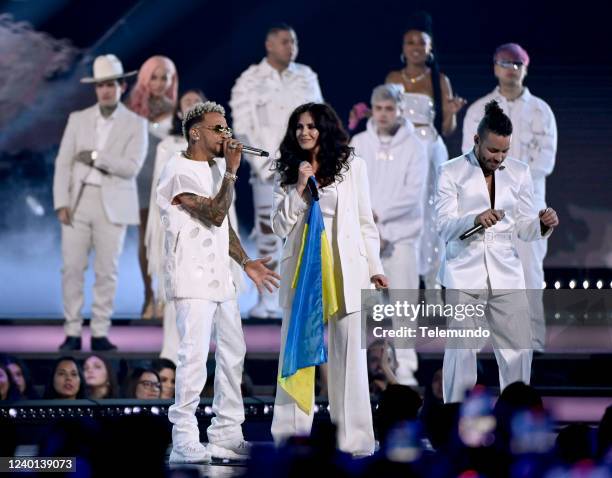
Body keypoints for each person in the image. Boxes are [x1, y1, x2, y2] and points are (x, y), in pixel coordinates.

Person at [157, 101, 280, 463]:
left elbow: (224, 227)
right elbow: (213, 213)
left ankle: (227, 432)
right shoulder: (177, 169)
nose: (226, 135)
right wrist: (231, 172)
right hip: (191, 277)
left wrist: (246, 262)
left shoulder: (216, 170)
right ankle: (183, 435)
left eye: (227, 128)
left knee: (232, 355)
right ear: (196, 132)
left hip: (221, 278)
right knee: (193, 357)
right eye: (218, 129)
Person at [270, 102, 388, 456]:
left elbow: (366, 223)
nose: (304, 133)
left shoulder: (353, 166)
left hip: (344, 267)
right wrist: (298, 188)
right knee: (296, 353)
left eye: (311, 126)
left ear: (325, 128)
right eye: (299, 127)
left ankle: (355, 440)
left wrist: (375, 267)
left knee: (349, 358)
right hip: (304, 270)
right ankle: (291, 436)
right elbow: (278, 225)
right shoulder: (290, 169)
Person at [435, 101, 559, 403]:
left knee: (518, 350)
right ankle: (456, 418)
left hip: (507, 272)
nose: (499, 158)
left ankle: (515, 415)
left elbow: (525, 228)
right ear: (477, 140)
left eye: (504, 151)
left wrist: (542, 224)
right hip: (463, 273)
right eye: (493, 151)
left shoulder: (519, 172)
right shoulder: (450, 172)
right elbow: (443, 226)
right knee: (461, 352)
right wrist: (474, 220)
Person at [462, 43, 557, 351]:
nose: (511, 69)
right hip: (488, 203)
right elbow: (468, 156)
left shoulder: (541, 110)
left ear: (525, 69)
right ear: (494, 67)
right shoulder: (479, 110)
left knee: (530, 272)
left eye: (517, 64)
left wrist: (513, 179)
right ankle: (485, 339)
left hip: (529, 206)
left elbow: (546, 159)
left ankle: (533, 339)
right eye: (505, 63)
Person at [53, 54, 147, 352]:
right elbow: (63, 163)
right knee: (72, 268)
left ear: (121, 86)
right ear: (95, 89)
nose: (105, 91)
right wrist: (61, 202)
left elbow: (131, 166)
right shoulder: (78, 119)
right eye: (100, 86)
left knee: (108, 270)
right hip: (79, 202)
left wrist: (95, 157)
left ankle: (99, 331)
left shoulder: (136, 124)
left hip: (113, 204)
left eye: (110, 85)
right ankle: (71, 331)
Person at [230, 24, 323, 318]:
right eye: (285, 42)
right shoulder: (250, 79)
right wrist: (264, 163)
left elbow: (319, 117)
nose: (291, 47)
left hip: (302, 167)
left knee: (303, 230)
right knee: (268, 232)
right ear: (269, 45)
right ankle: (268, 299)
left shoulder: (306, 76)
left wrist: (310, 160)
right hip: (266, 170)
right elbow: (242, 126)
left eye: (293, 41)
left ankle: (298, 299)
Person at [350, 84, 428, 385]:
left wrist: (379, 219)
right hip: (366, 239)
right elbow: (352, 188)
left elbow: (413, 193)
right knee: (360, 306)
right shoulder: (359, 143)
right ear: (372, 109)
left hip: (402, 239)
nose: (384, 115)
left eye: (390, 109)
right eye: (379, 108)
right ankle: (359, 367)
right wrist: (370, 229)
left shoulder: (415, 146)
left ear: (399, 109)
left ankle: (405, 368)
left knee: (404, 305)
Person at [385, 11, 466, 289]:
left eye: (421, 43)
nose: (416, 48)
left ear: (430, 48)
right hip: (401, 145)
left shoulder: (439, 79)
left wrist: (452, 112)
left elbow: (447, 127)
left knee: (430, 208)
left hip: (429, 146)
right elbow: (387, 116)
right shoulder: (393, 77)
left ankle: (432, 282)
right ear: (403, 47)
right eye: (410, 42)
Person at [128, 55, 178, 319]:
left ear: (172, 80)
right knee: (145, 241)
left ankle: (165, 297)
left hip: (167, 182)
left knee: (168, 239)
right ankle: (149, 296)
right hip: (140, 181)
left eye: (165, 77)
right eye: (154, 77)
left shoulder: (178, 110)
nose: (159, 83)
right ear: (145, 78)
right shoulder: (131, 109)